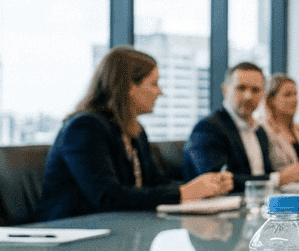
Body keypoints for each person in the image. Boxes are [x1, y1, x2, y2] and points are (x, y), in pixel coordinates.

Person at [38, 46, 232, 221]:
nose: (160, 92)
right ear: (129, 86)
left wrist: (205, 188)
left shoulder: (135, 131)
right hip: (78, 238)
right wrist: (185, 192)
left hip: (120, 231)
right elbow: (108, 197)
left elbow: (156, 183)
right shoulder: (84, 128)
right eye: (154, 83)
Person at [184, 62, 299, 187]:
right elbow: (218, 182)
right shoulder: (207, 128)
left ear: (263, 94)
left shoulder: (259, 131)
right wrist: (278, 178)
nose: (248, 96)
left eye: (255, 90)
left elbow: (262, 173)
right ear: (225, 89)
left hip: (257, 202)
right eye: (241, 88)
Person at [261, 74, 299, 179]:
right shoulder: (263, 129)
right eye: (287, 95)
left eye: (295, 94)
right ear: (271, 100)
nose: (294, 99)